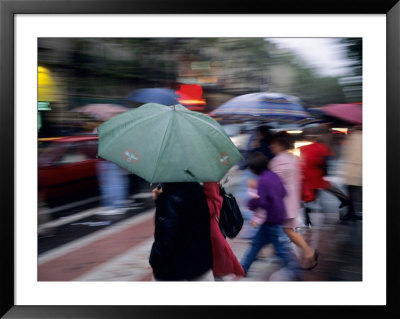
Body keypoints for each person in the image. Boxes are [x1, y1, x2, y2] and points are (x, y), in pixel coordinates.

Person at [240, 152, 301, 279]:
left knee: (280, 248)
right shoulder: (274, 176)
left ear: (254, 169)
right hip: (276, 216)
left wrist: (251, 202)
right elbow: (284, 192)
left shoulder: (262, 181)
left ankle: (295, 271)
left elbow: (262, 201)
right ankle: (243, 268)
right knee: (257, 244)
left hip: (272, 219)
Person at [269, 131, 318, 270]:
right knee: (287, 230)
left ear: (279, 145)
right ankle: (300, 254)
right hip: (291, 201)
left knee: (286, 231)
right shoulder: (293, 158)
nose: (271, 146)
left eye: (273, 144)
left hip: (283, 203)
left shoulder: (278, 160)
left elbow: (273, 183)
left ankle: (307, 253)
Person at [150, 182, 213, 281]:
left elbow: (166, 237)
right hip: (199, 263)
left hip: (173, 268)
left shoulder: (168, 195)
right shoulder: (198, 190)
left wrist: (154, 260)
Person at [299, 125, 350, 226]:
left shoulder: (305, 148)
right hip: (317, 178)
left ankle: (307, 218)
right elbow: (321, 162)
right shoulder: (321, 148)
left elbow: (304, 163)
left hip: (308, 178)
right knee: (335, 191)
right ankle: (345, 203)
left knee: (310, 199)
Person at [202, 182, 245, 280]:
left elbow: (214, 203)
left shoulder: (208, 180)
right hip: (204, 223)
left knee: (219, 248)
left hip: (208, 222)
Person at [339, 126, 363, 221]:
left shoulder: (357, 137)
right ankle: (351, 212)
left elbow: (356, 156)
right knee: (352, 192)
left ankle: (351, 213)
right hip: (352, 170)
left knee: (353, 193)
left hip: (355, 170)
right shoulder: (354, 136)